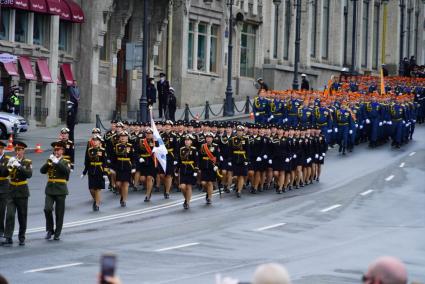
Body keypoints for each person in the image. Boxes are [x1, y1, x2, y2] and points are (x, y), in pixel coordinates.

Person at [1, 141, 32, 246]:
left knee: (22, 216)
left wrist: (19, 166)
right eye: (16, 150)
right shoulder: (12, 160)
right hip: (11, 190)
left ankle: (21, 236)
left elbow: (29, 174)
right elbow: (4, 174)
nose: (17, 152)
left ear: (23, 151)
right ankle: (8, 237)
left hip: (22, 191)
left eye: (20, 150)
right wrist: (9, 165)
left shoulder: (27, 162)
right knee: (9, 214)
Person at [40, 141, 71, 241]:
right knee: (47, 209)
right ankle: (50, 229)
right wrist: (49, 162)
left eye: (58, 150)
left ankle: (57, 232)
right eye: (55, 150)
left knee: (59, 212)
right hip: (50, 189)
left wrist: (57, 163)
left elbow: (66, 172)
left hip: (61, 189)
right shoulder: (51, 159)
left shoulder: (66, 161)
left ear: (62, 150)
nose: (56, 151)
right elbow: (42, 171)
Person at [82, 134, 108, 211]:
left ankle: (96, 204)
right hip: (91, 170)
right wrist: (84, 172)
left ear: (100, 141)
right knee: (91, 189)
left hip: (100, 170)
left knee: (98, 188)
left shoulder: (103, 150)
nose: (95, 142)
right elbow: (87, 162)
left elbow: (105, 162)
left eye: (96, 140)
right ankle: (96, 199)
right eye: (94, 140)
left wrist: (105, 173)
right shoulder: (90, 150)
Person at [177, 134, 199, 209]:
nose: (187, 142)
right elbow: (179, 161)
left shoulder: (194, 149)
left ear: (191, 141)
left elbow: (196, 161)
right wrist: (177, 169)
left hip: (191, 169)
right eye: (186, 140)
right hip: (183, 169)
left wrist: (196, 169)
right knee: (182, 187)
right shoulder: (181, 149)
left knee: (189, 186)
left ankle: (187, 202)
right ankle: (186, 199)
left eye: (188, 140)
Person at [0, 141, 10, 240]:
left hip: (3, 187)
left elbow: (4, 173)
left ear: (3, 149)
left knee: (1, 211)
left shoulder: (7, 159)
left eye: (0, 148)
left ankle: (1, 231)